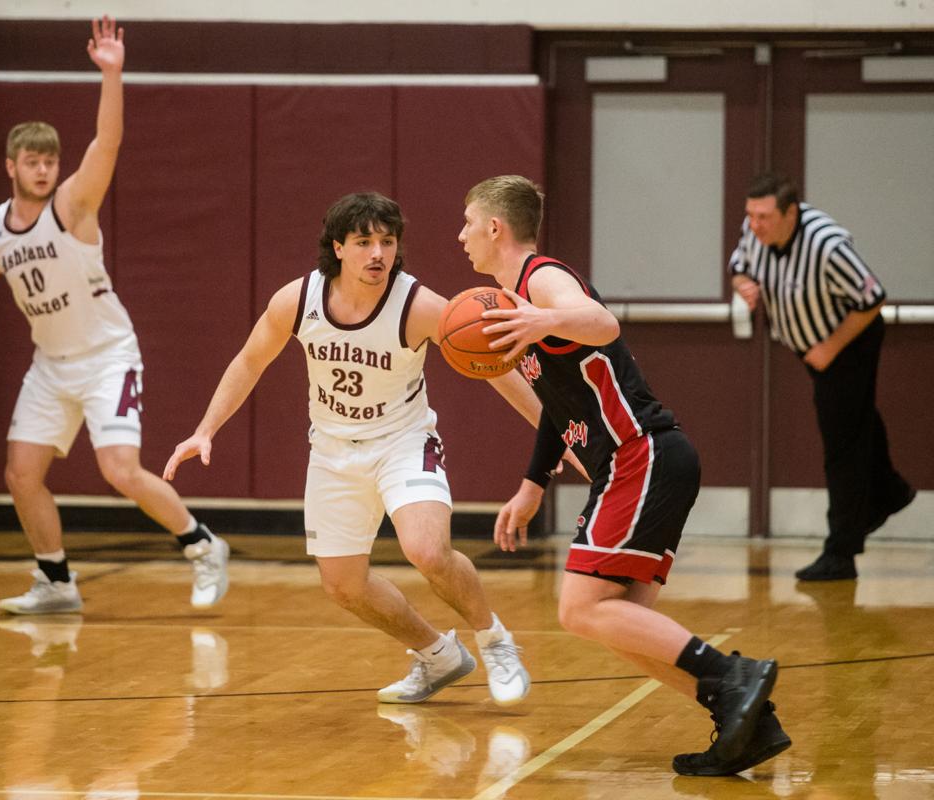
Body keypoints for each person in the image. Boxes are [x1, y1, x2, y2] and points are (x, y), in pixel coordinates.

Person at [462, 175, 790, 774]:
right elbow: (558, 406)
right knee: (624, 624)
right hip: (646, 461)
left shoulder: (541, 279)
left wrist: (541, 320)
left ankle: (734, 675)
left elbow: (600, 322)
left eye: (467, 223)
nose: (460, 237)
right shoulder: (523, 304)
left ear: (494, 227)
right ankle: (747, 724)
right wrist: (533, 483)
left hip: (639, 456)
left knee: (578, 609)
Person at [164, 190, 540, 707]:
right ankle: (437, 655)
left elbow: (496, 369)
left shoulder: (418, 305)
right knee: (343, 585)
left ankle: (496, 641)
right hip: (334, 449)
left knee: (427, 549)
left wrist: (551, 428)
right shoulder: (297, 300)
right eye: (364, 242)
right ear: (338, 247)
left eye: (387, 242)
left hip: (405, 442)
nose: (378, 254)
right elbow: (250, 361)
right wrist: (206, 429)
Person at [0, 17, 228, 615]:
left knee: (120, 470)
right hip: (51, 364)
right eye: (32, 161)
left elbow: (107, 144)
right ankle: (55, 581)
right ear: (11, 166)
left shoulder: (72, 206)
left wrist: (112, 75)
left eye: (49, 159)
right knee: (21, 473)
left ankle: (203, 546)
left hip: (107, 358)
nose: (43, 169)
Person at [731, 173, 914, 581]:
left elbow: (872, 298)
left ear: (790, 213)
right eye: (751, 216)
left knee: (841, 445)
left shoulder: (827, 246)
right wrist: (744, 286)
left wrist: (829, 349)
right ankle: (889, 491)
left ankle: (841, 551)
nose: (754, 224)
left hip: (848, 343)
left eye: (763, 217)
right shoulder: (754, 229)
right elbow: (739, 266)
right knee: (857, 422)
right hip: (810, 346)